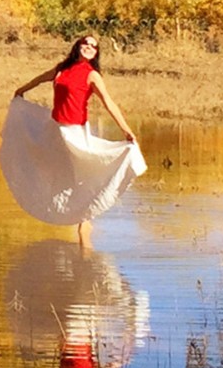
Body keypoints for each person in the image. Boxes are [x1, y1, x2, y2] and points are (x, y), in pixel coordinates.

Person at [12, 34, 140, 246]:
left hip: (75, 132)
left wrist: (126, 130)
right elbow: (39, 79)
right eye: (86, 43)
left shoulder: (92, 76)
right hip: (55, 129)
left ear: (96, 53)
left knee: (78, 174)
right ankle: (72, 218)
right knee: (47, 167)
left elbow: (109, 103)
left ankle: (85, 223)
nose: (89, 47)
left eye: (93, 46)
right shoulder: (61, 69)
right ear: (78, 46)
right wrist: (21, 90)